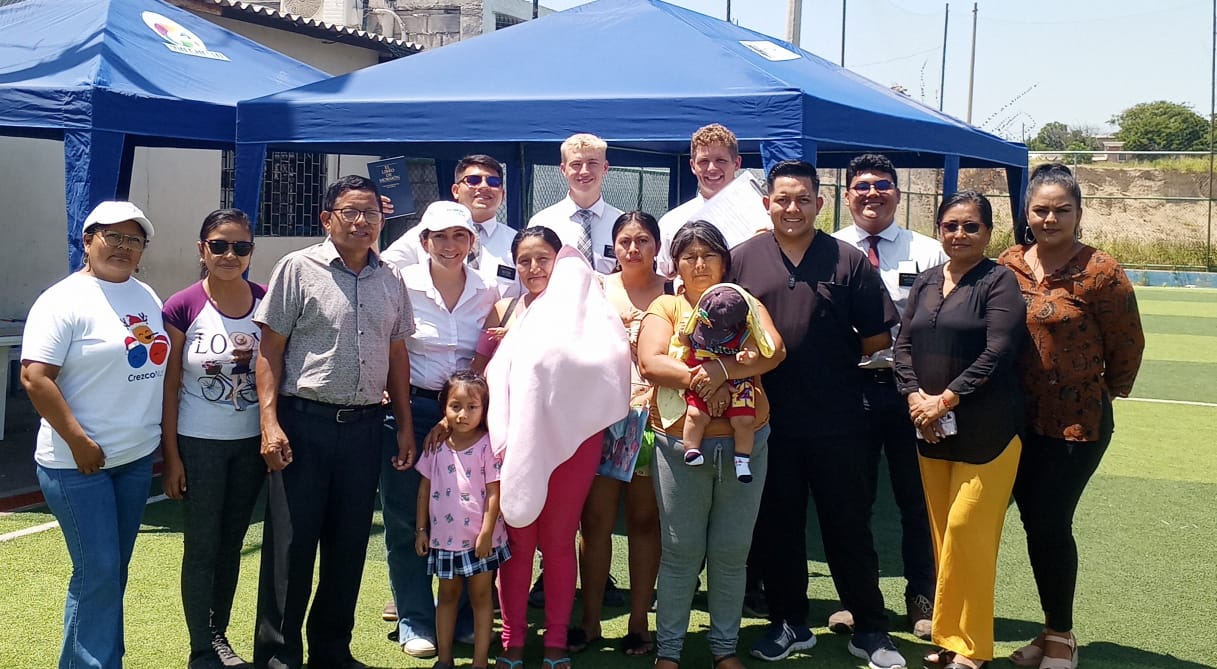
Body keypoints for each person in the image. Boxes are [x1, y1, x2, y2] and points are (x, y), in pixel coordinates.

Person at [730, 160, 906, 668]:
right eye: (783, 199)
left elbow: (876, 338)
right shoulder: (742, 260)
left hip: (839, 421)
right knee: (778, 526)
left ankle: (870, 628)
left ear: (820, 204)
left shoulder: (848, 261)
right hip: (767, 422)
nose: (793, 208)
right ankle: (789, 623)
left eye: (803, 199)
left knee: (848, 525)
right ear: (767, 204)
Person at [252, 175, 416, 669]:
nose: (363, 221)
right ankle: (279, 657)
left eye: (372, 213)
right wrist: (269, 423)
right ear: (327, 218)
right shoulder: (297, 268)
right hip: (304, 425)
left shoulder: (392, 278)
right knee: (291, 547)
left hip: (365, 428)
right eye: (351, 211)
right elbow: (269, 350)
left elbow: (398, 354)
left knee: (348, 547)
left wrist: (404, 425)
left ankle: (331, 651)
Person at [998, 164, 1144, 669]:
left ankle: (1061, 635)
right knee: (1034, 523)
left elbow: (1128, 343)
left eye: (1062, 210)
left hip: (1076, 422)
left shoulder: (1101, 271)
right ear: (1026, 213)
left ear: (1079, 213)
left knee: (1050, 521)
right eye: (1041, 209)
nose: (1050, 219)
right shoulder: (1009, 263)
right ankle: (1048, 631)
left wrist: (1105, 390)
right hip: (1013, 418)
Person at [467, 226, 630, 669]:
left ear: (561, 262)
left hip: (574, 442)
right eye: (524, 260)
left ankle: (556, 640)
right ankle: (513, 641)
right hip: (516, 441)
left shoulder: (590, 308)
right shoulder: (508, 309)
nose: (534, 268)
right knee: (517, 540)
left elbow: (611, 363)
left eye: (543, 258)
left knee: (558, 541)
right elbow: (484, 374)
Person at [21, 201, 167, 669]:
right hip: (79, 464)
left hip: (135, 458)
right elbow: (34, 377)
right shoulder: (62, 300)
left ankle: (104, 659)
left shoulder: (145, 294)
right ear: (88, 241)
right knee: (98, 571)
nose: (124, 247)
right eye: (113, 236)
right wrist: (78, 441)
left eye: (134, 240)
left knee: (111, 572)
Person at [637, 220, 786, 669]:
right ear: (676, 264)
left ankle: (724, 649)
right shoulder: (666, 306)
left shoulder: (744, 302)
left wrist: (724, 372)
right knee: (680, 551)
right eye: (689, 256)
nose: (699, 264)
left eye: (709, 255)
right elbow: (650, 362)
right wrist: (703, 382)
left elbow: (774, 351)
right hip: (680, 446)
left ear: (725, 261)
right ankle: (669, 652)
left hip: (745, 445)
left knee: (731, 551)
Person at [894, 190, 1027, 669]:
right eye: (951, 225)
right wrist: (915, 398)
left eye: (971, 226)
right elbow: (903, 345)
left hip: (988, 433)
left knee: (967, 533)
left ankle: (972, 649)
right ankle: (949, 638)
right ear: (939, 230)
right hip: (931, 432)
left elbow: (999, 351)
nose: (960, 234)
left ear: (988, 233)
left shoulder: (999, 281)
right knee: (944, 539)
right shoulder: (928, 280)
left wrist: (944, 400)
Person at [829, 153, 945, 639]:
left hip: (909, 393)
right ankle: (857, 600)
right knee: (852, 501)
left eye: (882, 185)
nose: (872, 194)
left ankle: (923, 598)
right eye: (862, 186)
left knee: (916, 501)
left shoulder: (929, 251)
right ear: (847, 195)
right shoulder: (829, 249)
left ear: (897, 193)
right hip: (849, 390)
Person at [379, 200, 499, 658]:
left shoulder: (488, 289)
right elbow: (392, 349)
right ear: (424, 241)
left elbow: (485, 356)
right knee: (406, 517)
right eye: (440, 237)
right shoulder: (400, 282)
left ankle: (464, 618)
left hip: (468, 417)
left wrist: (456, 419)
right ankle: (414, 618)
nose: (450, 246)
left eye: (459, 236)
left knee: (468, 515)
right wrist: (408, 420)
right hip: (409, 408)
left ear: (472, 241)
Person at [161, 209, 267, 669]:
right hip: (198, 443)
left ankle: (217, 636)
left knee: (231, 543)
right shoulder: (182, 305)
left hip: (250, 446)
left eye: (240, 247)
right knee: (202, 545)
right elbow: (168, 386)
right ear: (202, 249)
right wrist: (171, 457)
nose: (229, 255)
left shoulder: (266, 300)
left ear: (251, 252)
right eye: (219, 246)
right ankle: (201, 650)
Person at [570, 211, 668, 656]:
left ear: (656, 246)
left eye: (643, 240)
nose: (633, 249)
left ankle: (639, 623)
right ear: (614, 246)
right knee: (595, 522)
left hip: (656, 418)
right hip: (600, 419)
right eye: (625, 241)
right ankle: (589, 621)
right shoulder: (595, 288)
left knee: (646, 522)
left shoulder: (673, 292)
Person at [415, 371, 511, 669]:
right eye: (455, 406)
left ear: (484, 410)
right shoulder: (436, 445)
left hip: (480, 541)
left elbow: (494, 493)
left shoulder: (488, 446)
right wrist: (421, 530)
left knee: (482, 598)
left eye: (472, 407)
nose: (463, 414)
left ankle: (480, 662)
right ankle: (445, 659)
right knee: (446, 596)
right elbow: (424, 489)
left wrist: (486, 533)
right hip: (444, 540)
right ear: (443, 407)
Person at [671, 283, 772, 482]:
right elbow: (684, 342)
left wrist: (748, 355)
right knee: (695, 415)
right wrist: (682, 336)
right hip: (702, 379)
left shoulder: (744, 333)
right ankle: (691, 450)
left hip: (739, 382)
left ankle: (742, 460)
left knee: (745, 421)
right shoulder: (696, 325)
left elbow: (754, 349)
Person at [381, 155, 519, 297]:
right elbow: (383, 270)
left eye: (493, 182)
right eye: (473, 180)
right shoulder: (426, 234)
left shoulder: (516, 242)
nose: (484, 186)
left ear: (503, 194)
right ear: (456, 191)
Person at [527, 133, 624, 272]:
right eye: (576, 164)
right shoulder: (542, 223)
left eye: (592, 163)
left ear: (605, 167)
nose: (584, 171)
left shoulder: (622, 224)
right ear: (563, 170)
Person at [656, 124, 743, 277]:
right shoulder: (671, 223)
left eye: (720, 160)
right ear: (692, 166)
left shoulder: (761, 217)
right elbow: (663, 279)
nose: (712, 168)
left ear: (736, 163)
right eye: (704, 161)